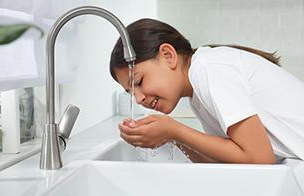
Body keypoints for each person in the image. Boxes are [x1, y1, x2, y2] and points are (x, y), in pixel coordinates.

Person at [109, 18, 304, 164]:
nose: (139, 98)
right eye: (131, 93)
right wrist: (170, 136)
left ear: (168, 56)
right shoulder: (199, 90)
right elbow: (228, 161)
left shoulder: (208, 70)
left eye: (140, 81)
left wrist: (175, 130)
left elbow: (260, 159)